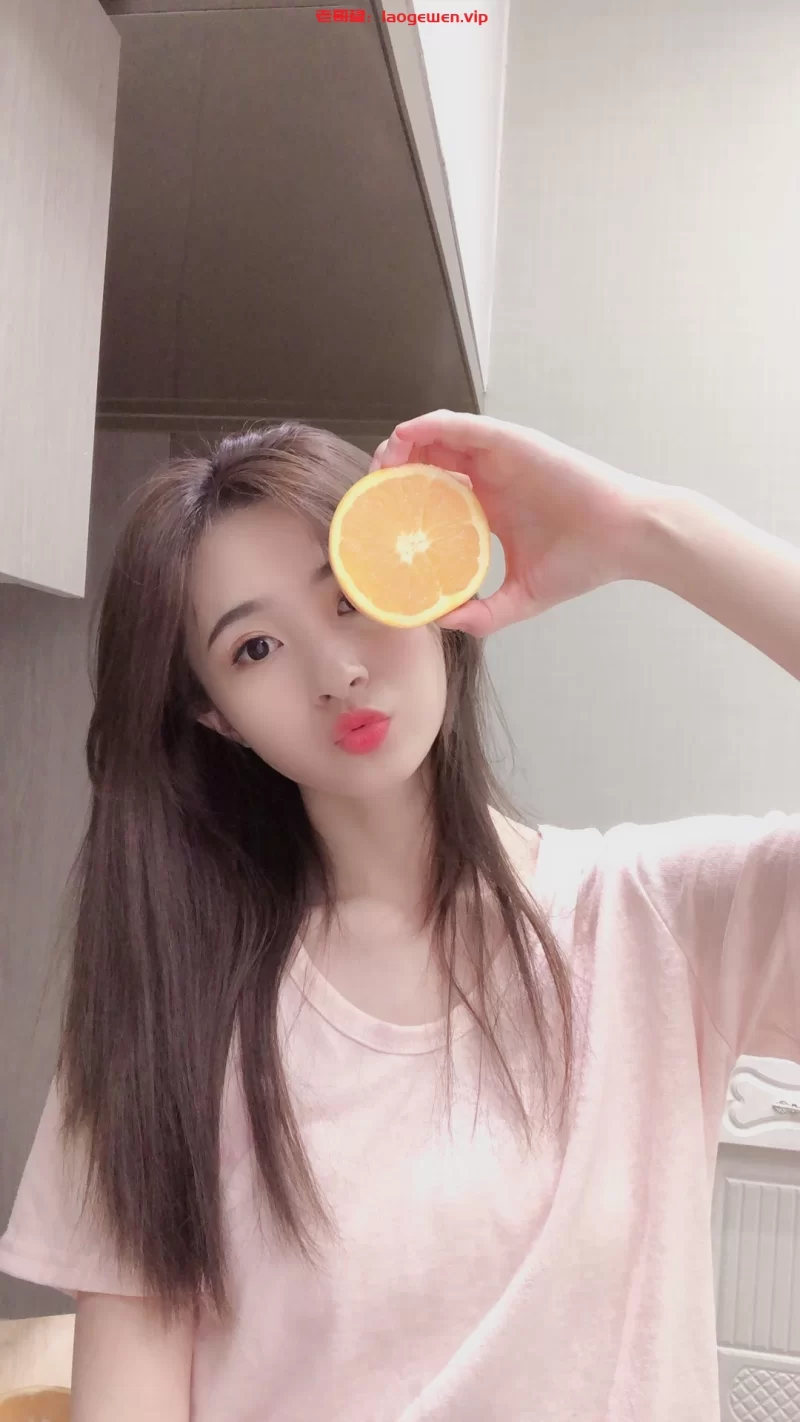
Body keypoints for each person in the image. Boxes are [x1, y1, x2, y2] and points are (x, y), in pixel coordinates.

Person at [0, 408, 798, 1422]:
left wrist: (651, 531)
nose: (335, 671)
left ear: (428, 589)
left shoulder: (658, 923)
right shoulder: (167, 1005)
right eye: (254, 648)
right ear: (215, 717)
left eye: (350, 595)